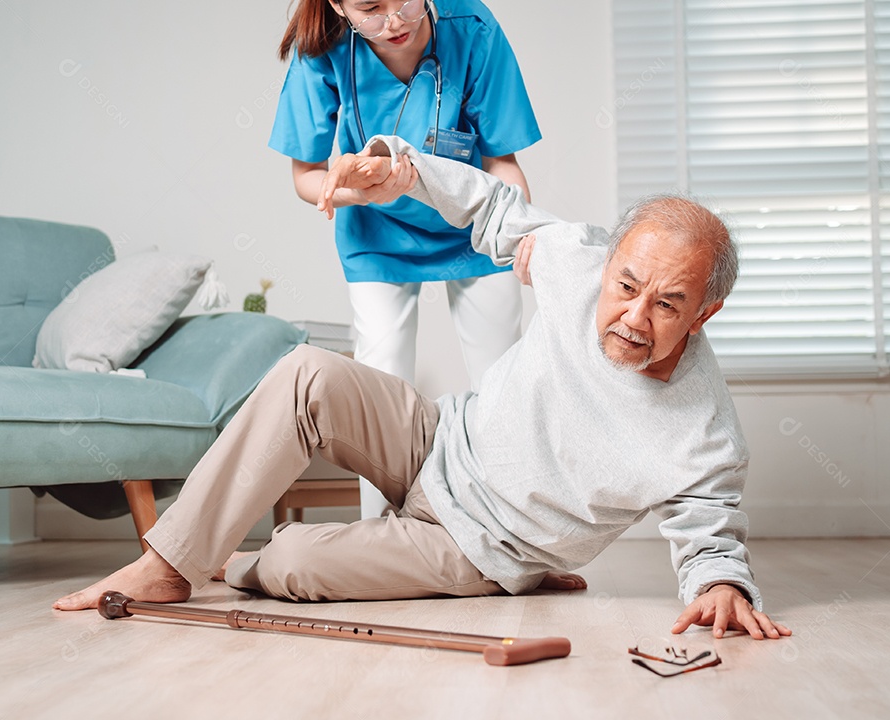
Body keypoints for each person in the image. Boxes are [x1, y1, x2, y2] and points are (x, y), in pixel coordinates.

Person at [55, 136, 791, 642]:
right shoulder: (579, 257)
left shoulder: (705, 435)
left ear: (704, 313)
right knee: (310, 372)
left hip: (482, 547)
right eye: (625, 286)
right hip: (437, 439)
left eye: (666, 304)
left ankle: (240, 560)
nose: (632, 317)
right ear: (610, 264)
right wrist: (402, 170)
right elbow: (490, 207)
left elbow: (710, 537)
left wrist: (719, 589)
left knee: (289, 563)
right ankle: (169, 565)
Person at [271, 0, 542, 518]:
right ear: (337, 5)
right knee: (380, 390)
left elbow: (502, 161)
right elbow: (307, 177)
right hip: (375, 227)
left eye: (405, 1)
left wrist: (521, 232)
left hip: (472, 222)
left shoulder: (471, 27)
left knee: (502, 379)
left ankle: (515, 530)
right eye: (371, 9)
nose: (394, 22)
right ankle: (381, 531)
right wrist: (359, 191)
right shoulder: (322, 47)